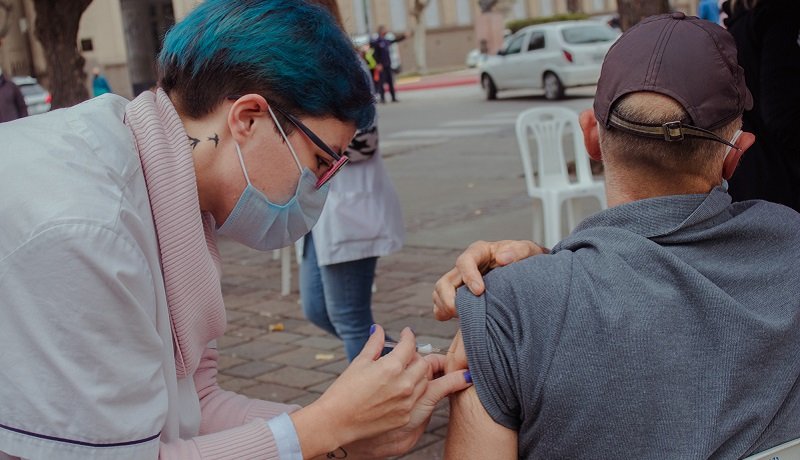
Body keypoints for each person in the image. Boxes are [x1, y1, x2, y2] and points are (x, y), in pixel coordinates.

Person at [0, 1, 470, 459]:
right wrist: (327, 428)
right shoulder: (85, 229)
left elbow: (194, 404)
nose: (320, 187)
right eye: (320, 162)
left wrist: (344, 428)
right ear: (248, 119)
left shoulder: (168, 185)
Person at [436, 13, 800, 458]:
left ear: (591, 136)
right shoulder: (791, 244)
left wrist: (526, 288)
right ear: (735, 155)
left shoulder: (511, 314)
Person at [300, 1, 405, 362]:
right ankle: (406, 363)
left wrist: (302, 145)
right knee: (318, 309)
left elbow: (365, 142)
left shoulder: (343, 64)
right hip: (318, 212)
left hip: (348, 207)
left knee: (349, 317)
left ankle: (390, 383)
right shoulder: (301, 64)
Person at [723, 0, 800, 212]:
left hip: (750, 173)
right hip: (780, 183)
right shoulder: (781, 17)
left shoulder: (743, 22)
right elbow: (782, 115)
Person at [370, 25, 405, 104]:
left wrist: (404, 36)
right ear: (381, 31)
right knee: (381, 82)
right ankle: (382, 98)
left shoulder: (386, 41)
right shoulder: (377, 42)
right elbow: (375, 54)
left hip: (388, 64)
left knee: (390, 81)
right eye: (385, 30)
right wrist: (378, 64)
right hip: (381, 66)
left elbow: (394, 41)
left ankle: (393, 97)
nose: (386, 31)